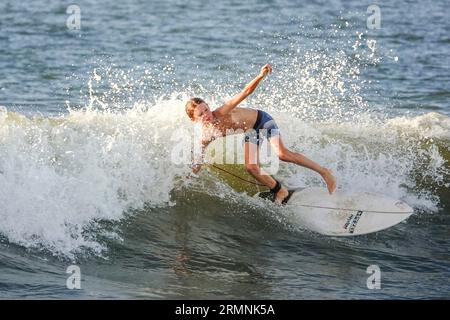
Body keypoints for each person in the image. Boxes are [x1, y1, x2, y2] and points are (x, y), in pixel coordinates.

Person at [185, 64, 336, 204]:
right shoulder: (205, 135)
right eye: (201, 114)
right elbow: (199, 158)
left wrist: (260, 75)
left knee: (282, 154)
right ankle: (279, 191)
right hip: (251, 132)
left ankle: (324, 172)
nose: (207, 114)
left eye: (206, 109)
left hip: (262, 120)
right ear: (194, 119)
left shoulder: (222, 112)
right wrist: (190, 178)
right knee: (251, 168)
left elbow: (245, 92)